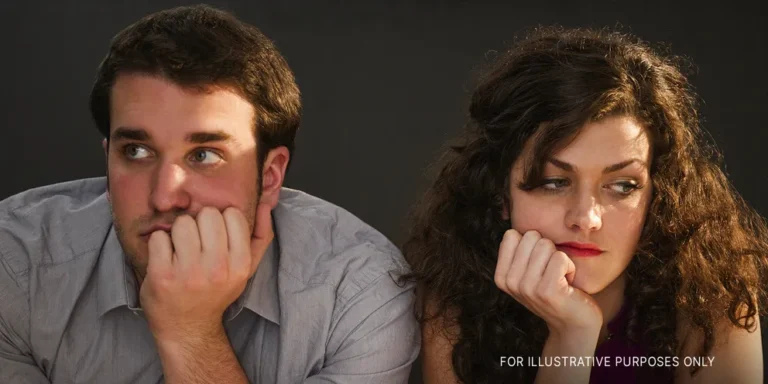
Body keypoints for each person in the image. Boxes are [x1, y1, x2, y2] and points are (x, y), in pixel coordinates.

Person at [0, 5, 419, 383]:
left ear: (270, 175)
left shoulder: (358, 294)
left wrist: (190, 333)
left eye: (204, 154)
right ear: (109, 159)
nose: (165, 197)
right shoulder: (14, 266)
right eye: (137, 151)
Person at [402, 26, 767, 384]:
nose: (586, 219)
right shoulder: (453, 306)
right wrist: (571, 336)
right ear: (500, 195)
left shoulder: (711, 297)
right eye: (554, 182)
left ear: (659, 194)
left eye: (623, 186)